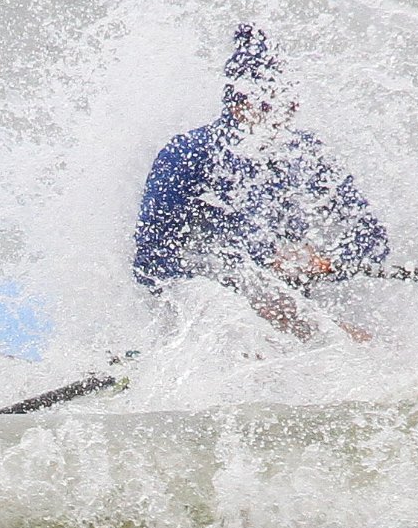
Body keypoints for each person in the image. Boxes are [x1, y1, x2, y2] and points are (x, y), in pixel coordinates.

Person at [134, 24, 389, 339]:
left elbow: (373, 240)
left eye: (290, 102)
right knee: (255, 323)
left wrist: (326, 260)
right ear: (240, 104)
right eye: (273, 104)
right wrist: (244, 284)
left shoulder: (307, 155)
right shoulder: (186, 155)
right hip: (208, 309)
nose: (287, 114)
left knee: (379, 346)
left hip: (290, 307)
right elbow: (149, 261)